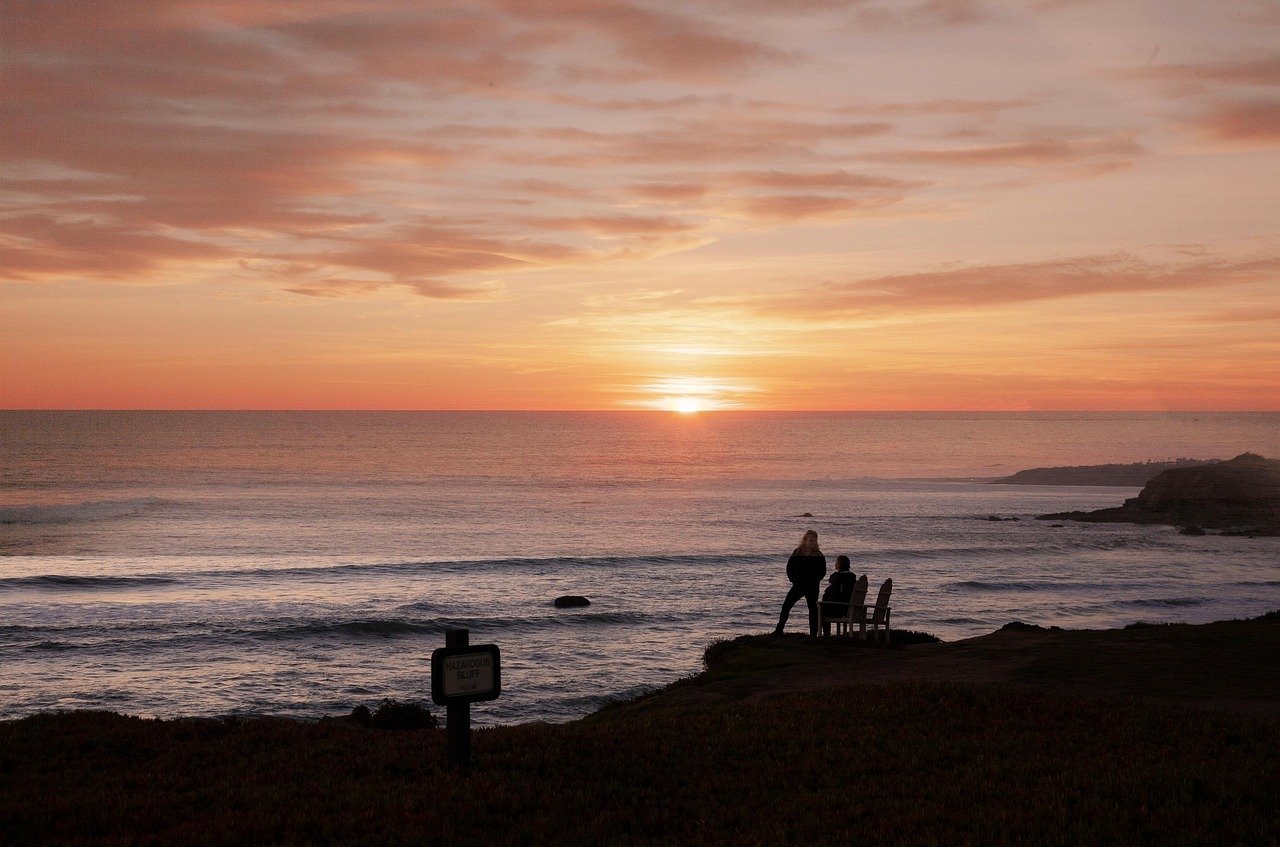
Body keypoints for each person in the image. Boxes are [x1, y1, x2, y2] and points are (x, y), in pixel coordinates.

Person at [773, 529, 826, 636]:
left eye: (814, 540)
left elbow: (822, 572)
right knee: (786, 606)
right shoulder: (797, 552)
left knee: (812, 610)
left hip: (812, 586)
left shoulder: (818, 554)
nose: (812, 542)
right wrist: (793, 579)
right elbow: (789, 567)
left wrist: (815, 580)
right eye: (810, 540)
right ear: (805, 540)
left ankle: (813, 635)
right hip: (798, 585)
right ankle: (779, 630)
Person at [818, 555, 855, 636]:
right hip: (851, 609)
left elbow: (834, 595)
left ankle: (826, 634)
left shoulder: (838, 578)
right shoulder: (852, 577)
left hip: (839, 609)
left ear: (839, 564)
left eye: (836, 562)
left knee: (820, 609)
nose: (835, 564)